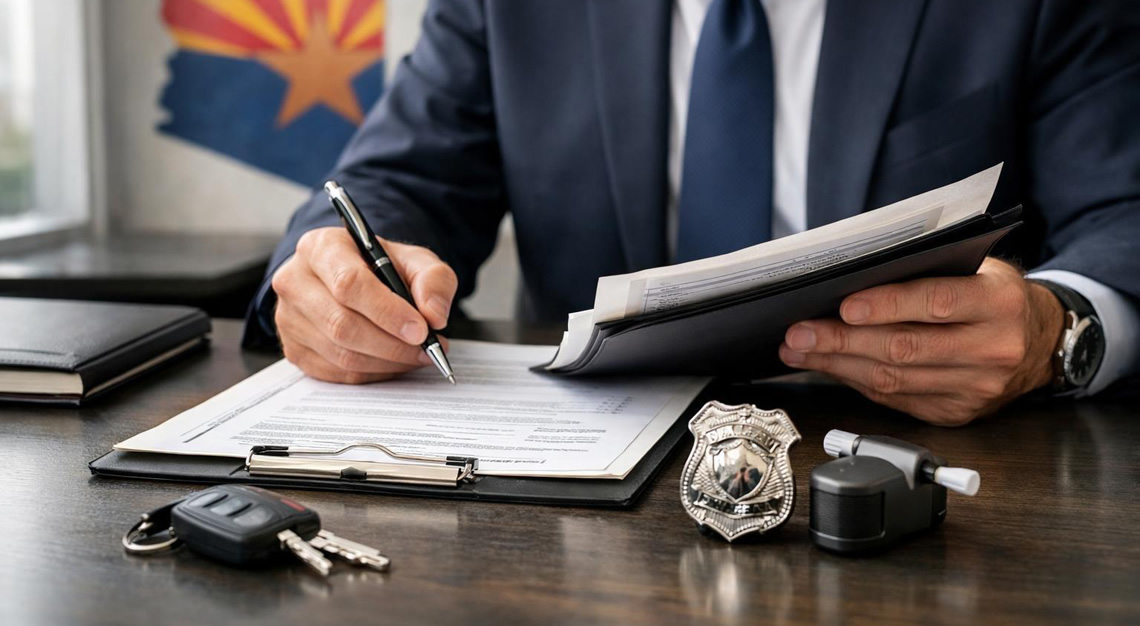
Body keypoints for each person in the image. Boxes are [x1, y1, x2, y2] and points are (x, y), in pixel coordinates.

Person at [244, 0, 1140, 426]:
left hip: (912, 467)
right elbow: (393, 189)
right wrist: (333, 279)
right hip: (589, 476)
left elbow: (1124, 217)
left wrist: (1057, 334)